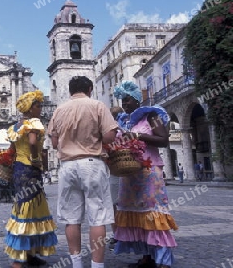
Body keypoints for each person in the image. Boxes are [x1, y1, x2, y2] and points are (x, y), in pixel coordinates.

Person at [48, 76, 118, 268]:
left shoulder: (59, 110)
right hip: (92, 163)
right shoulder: (97, 105)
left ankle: (76, 263)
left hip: (67, 166)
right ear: (89, 89)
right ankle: (97, 265)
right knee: (98, 217)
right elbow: (111, 136)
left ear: (70, 91)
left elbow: (54, 143)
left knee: (71, 218)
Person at [113, 81, 177, 268]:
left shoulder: (152, 116)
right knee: (137, 214)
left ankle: (163, 260)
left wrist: (138, 137)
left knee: (154, 212)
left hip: (150, 173)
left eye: (128, 100)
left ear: (137, 99)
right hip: (131, 174)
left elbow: (163, 140)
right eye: (122, 101)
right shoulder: (126, 120)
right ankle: (147, 256)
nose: (125, 104)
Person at [5, 90, 58, 268]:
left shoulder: (16, 127)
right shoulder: (33, 123)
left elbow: (12, 148)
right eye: (37, 105)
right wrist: (36, 160)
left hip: (19, 170)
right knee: (30, 208)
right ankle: (20, 258)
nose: (40, 108)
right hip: (30, 169)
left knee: (24, 206)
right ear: (29, 108)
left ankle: (29, 253)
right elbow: (34, 142)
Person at [108, 106, 125, 251]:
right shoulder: (126, 128)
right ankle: (126, 234)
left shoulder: (112, 131)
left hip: (114, 171)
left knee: (113, 205)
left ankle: (118, 235)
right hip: (128, 170)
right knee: (125, 204)